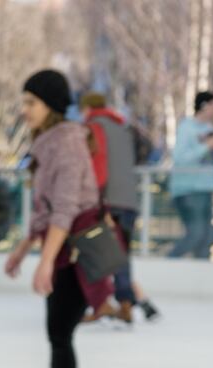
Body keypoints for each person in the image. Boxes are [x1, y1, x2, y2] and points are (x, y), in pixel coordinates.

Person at [2, 69, 112, 368]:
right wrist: (23, 247)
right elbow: (47, 209)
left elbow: (65, 208)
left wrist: (45, 261)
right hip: (65, 247)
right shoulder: (50, 142)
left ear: (50, 105)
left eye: (31, 102)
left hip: (76, 251)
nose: (24, 109)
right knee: (58, 332)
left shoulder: (65, 144)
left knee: (60, 332)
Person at [80, 93, 159, 325]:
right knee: (120, 256)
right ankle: (125, 303)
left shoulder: (93, 127)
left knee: (93, 254)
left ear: (87, 108)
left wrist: (97, 198)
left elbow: (99, 163)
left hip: (107, 201)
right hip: (128, 201)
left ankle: (99, 304)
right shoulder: (123, 129)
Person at [169, 90, 213, 260]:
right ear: (203, 106)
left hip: (206, 188)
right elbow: (180, 159)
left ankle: (202, 279)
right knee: (196, 234)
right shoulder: (186, 128)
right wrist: (206, 146)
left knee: (207, 237)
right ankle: (166, 265)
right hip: (188, 190)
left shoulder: (211, 129)